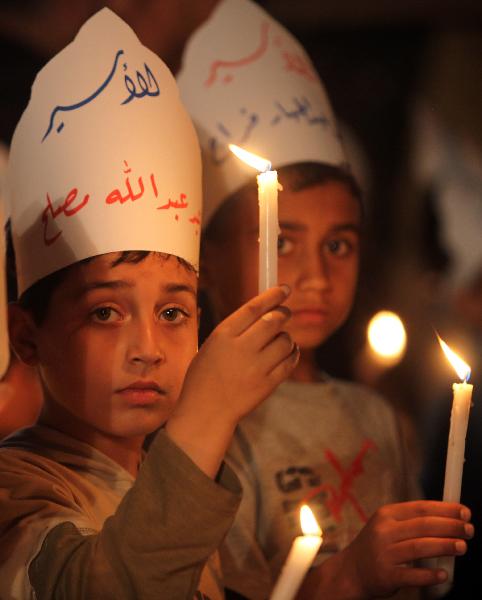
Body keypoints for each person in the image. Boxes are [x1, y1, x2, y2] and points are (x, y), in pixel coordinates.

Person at [177, 1, 474, 598]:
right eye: (281, 241)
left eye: (339, 244)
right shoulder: (200, 428)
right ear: (206, 264)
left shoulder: (379, 419)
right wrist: (347, 574)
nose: (315, 275)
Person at [0, 9, 298, 599]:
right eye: (104, 312)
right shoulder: (18, 489)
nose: (147, 352)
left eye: (172, 313)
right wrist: (206, 414)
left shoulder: (193, 475)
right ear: (25, 335)